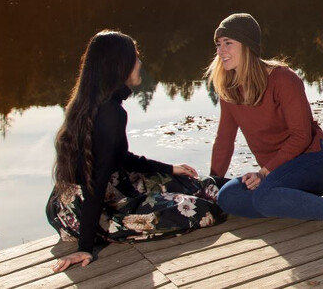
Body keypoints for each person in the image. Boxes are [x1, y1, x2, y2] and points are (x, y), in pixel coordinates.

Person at [46, 30, 225, 272]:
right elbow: (95, 183)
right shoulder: (110, 113)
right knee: (204, 209)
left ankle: (244, 185)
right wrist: (85, 247)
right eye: (135, 57)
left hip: (71, 207)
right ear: (119, 65)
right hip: (100, 210)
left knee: (199, 183)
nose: (140, 62)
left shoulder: (87, 103)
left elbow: (120, 158)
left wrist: (171, 169)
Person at [207, 12, 323, 235]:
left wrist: (264, 173)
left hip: (314, 161)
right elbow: (224, 141)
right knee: (227, 197)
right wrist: (212, 182)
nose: (221, 51)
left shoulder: (283, 79)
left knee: (264, 196)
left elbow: (301, 136)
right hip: (275, 174)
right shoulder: (229, 91)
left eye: (228, 43)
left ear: (248, 46)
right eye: (218, 44)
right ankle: (302, 201)